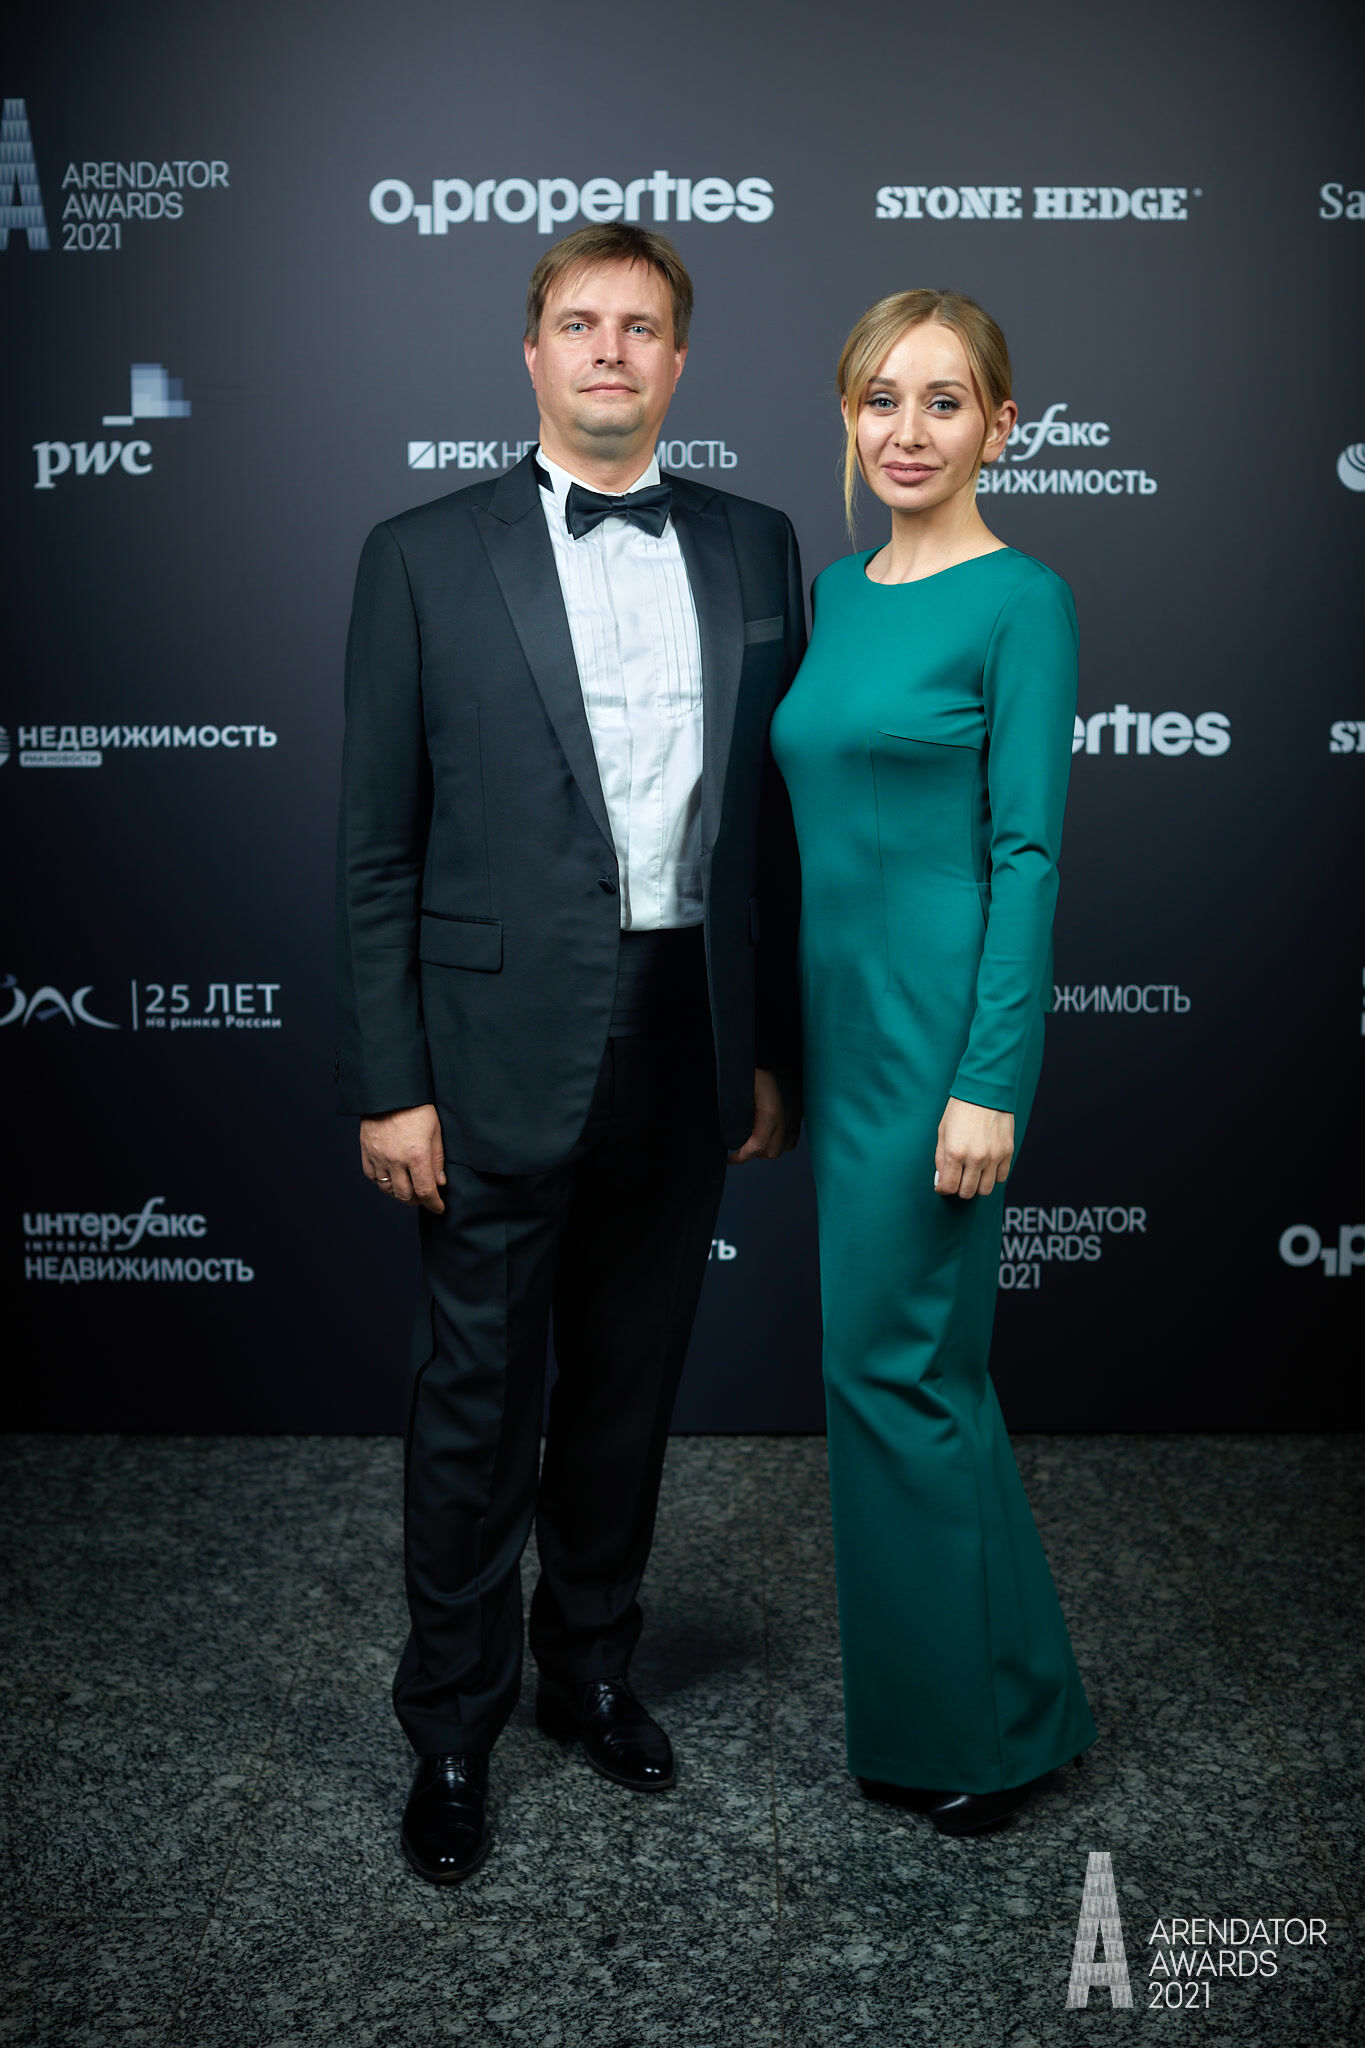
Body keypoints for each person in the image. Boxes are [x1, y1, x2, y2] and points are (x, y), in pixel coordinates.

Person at [335, 224, 805, 1883]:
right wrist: (391, 1080)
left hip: (688, 1030)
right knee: (477, 1402)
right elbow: (376, 847)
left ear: (679, 360)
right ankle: (449, 1728)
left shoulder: (758, 543)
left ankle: (586, 1667)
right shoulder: (417, 553)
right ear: (530, 353)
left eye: (642, 326)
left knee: (627, 1383)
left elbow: (772, 838)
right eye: (580, 323)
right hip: (483, 1048)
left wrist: (764, 1050)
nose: (611, 350)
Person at [770, 290, 1097, 1836]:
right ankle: (1013, 1704)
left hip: (935, 1040)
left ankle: (973, 1735)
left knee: (902, 1371)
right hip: (839, 1039)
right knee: (897, 1372)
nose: (906, 431)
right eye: (879, 399)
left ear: (998, 427)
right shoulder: (836, 593)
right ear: (849, 418)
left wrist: (990, 1081)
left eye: (943, 401)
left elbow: (1025, 858)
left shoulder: (1021, 600)